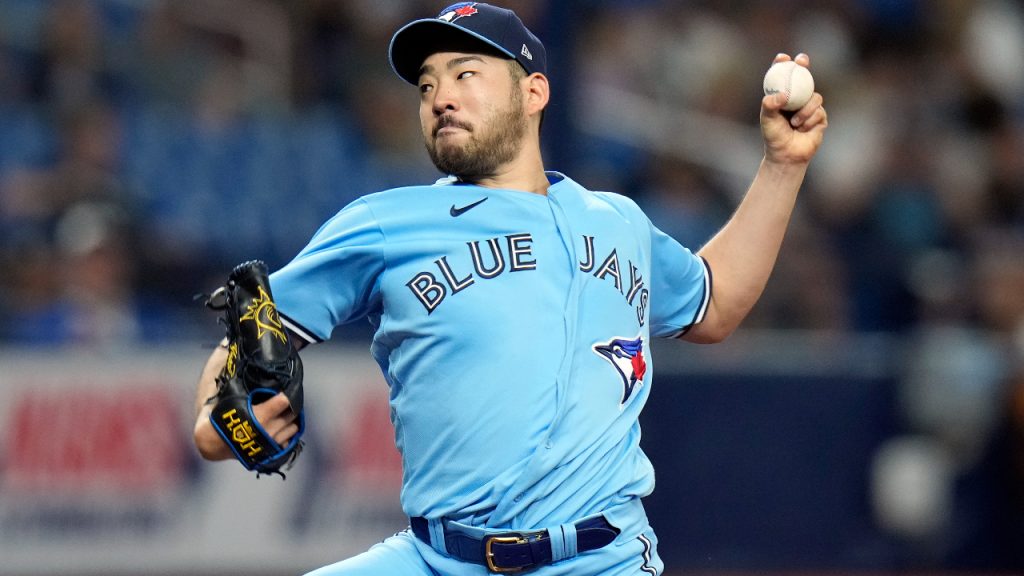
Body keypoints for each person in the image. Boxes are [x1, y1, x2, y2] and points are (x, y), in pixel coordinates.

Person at [192, 3, 827, 574]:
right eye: (427, 85)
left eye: (466, 74)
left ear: (534, 92)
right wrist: (213, 427)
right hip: (436, 557)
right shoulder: (386, 224)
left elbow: (711, 304)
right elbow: (247, 338)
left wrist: (783, 165)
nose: (441, 97)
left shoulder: (617, 222)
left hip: (598, 560)